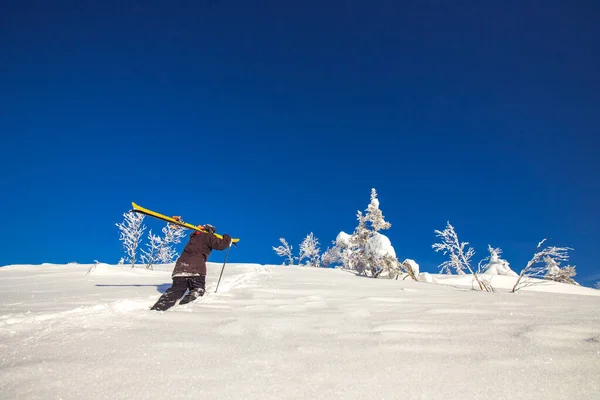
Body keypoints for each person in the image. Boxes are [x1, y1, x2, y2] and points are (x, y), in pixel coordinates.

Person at [150, 217, 232, 311]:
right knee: (198, 289)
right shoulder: (208, 236)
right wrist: (227, 238)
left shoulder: (194, 238)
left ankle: (157, 309)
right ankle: (184, 309)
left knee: (174, 292)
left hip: (180, 269)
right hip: (195, 269)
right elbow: (220, 245)